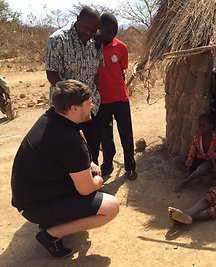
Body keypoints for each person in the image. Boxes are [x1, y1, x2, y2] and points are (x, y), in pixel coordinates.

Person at [11, 80, 119, 258]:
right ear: (75, 108)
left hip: (30, 197)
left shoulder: (53, 117)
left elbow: (78, 133)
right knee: (110, 206)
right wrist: (98, 181)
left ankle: (51, 222)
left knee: (89, 177)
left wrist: (89, 164)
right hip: (36, 206)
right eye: (88, 102)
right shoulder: (68, 140)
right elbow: (85, 189)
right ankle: (50, 235)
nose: (92, 104)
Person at [45, 6, 103, 165]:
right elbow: (52, 74)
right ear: (77, 19)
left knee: (91, 151)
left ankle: (91, 184)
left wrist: (94, 98)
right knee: (67, 154)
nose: (89, 32)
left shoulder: (96, 42)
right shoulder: (58, 40)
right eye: (86, 27)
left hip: (90, 107)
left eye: (93, 29)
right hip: (67, 110)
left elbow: (96, 71)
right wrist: (72, 100)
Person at [96, 13, 137, 180]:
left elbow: (122, 71)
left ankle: (130, 167)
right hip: (101, 100)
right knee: (105, 137)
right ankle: (107, 165)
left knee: (126, 134)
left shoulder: (122, 48)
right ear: (99, 28)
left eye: (114, 33)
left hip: (120, 98)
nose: (110, 36)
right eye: (107, 32)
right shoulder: (92, 46)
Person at [174, 113, 216, 192]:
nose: (201, 127)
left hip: (209, 163)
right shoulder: (197, 137)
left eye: (204, 125)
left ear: (210, 126)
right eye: (200, 125)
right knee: (177, 160)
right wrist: (188, 167)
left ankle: (184, 182)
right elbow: (192, 153)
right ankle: (195, 176)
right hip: (199, 160)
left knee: (203, 168)